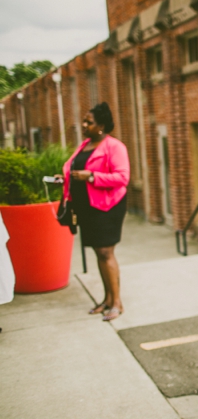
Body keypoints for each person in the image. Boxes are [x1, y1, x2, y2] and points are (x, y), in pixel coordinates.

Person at [60, 102, 130, 321]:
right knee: (99, 254)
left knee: (106, 253)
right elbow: (73, 170)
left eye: (88, 122)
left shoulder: (114, 146)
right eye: (84, 121)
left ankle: (117, 303)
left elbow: (122, 177)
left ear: (101, 125)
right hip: (87, 207)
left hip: (108, 207)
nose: (83, 125)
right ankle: (107, 299)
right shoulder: (85, 145)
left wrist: (91, 176)